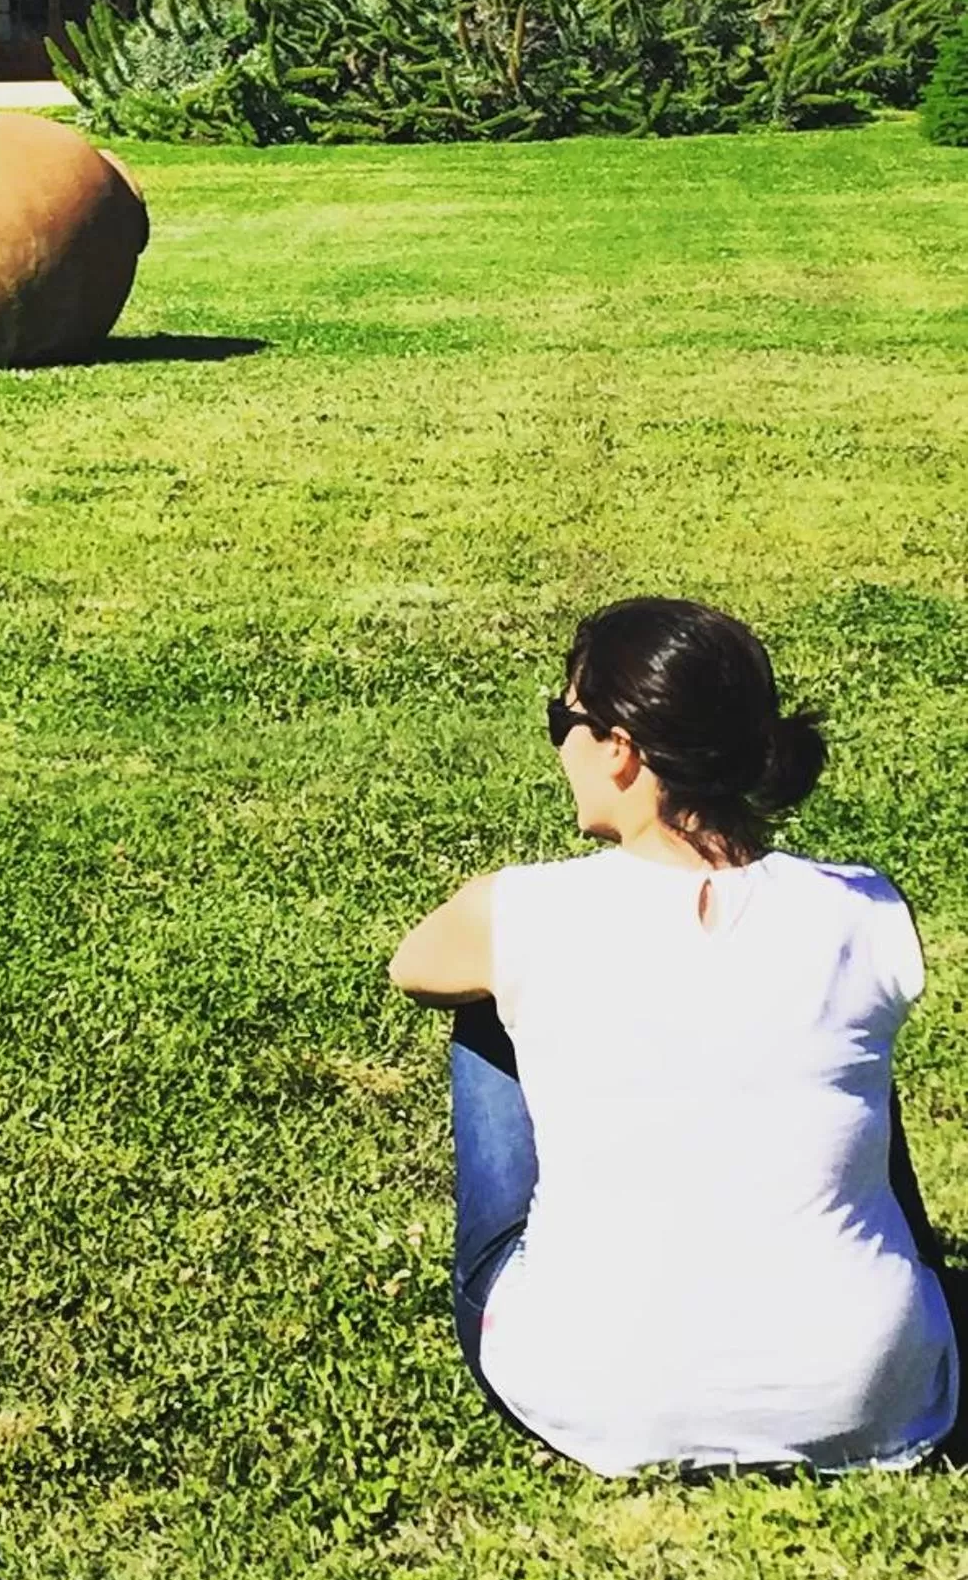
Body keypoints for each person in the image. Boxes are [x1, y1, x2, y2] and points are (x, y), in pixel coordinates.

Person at [391, 596, 956, 1475]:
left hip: (591, 1386)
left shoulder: (519, 910)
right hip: (870, 1393)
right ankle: (901, 1275)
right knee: (837, 1034)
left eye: (562, 721)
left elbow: (412, 966)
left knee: (482, 1002)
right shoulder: (865, 906)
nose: (560, 749)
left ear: (620, 748)